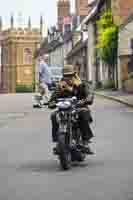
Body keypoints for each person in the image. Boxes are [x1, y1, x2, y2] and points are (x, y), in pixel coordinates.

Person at [49, 64, 94, 154]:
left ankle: (85, 142)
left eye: (70, 75)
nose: (68, 78)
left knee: (83, 113)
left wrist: (87, 99)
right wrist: (52, 102)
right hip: (64, 110)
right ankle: (58, 141)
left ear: (74, 75)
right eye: (66, 76)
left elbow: (89, 94)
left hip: (79, 107)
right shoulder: (60, 86)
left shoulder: (81, 84)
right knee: (54, 115)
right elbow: (52, 99)